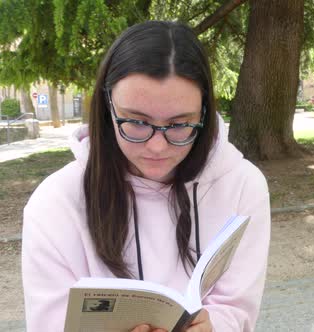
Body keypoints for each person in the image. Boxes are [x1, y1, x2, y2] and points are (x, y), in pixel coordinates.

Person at [21, 21, 271, 332]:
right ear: (107, 107)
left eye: (180, 124)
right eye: (136, 122)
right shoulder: (54, 204)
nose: (157, 146)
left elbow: (237, 307)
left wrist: (213, 327)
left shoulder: (243, 186)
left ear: (204, 115)